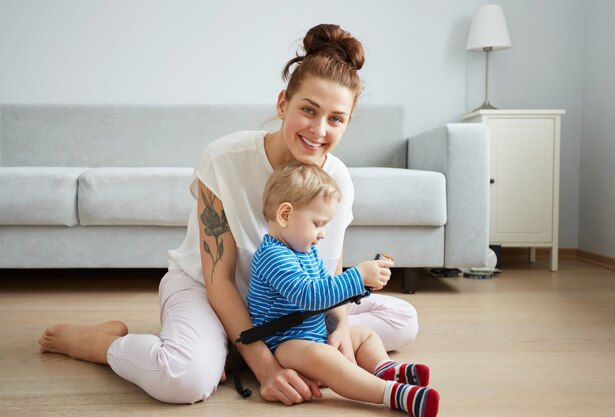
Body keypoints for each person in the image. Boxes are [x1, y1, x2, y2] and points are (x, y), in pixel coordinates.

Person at [39, 23, 418, 406]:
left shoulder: (337, 178)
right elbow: (218, 278)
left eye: (336, 118)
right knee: (183, 380)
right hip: (207, 289)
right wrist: (268, 369)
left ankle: (232, 348)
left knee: (404, 320)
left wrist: (338, 330)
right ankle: (104, 344)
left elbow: (328, 272)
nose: (319, 130)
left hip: (285, 302)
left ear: (348, 122)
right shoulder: (224, 159)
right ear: (283, 103)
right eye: (308, 110)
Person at [247, 163, 439, 417]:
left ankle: (384, 367)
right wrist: (356, 275)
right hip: (284, 344)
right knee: (324, 357)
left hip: (312, 332)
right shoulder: (273, 256)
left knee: (365, 335)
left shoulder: (305, 250)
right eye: (318, 223)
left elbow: (328, 290)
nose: (323, 234)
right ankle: (390, 393)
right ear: (285, 215)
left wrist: (361, 288)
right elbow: (311, 295)